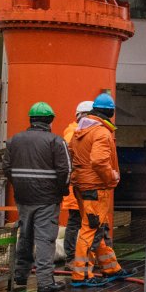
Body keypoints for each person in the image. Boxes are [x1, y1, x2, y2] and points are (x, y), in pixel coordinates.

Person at [3, 102, 71, 292]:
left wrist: (19, 184)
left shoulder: (14, 140)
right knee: (45, 238)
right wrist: (61, 191)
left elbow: (7, 168)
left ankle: (20, 275)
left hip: (23, 197)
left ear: (31, 119)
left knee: (25, 236)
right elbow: (65, 171)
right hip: (47, 199)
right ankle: (45, 281)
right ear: (50, 120)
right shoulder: (56, 141)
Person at [68, 93, 129, 287]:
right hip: (96, 188)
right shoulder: (101, 132)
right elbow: (99, 161)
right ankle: (82, 276)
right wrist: (112, 177)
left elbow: (72, 155)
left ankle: (111, 268)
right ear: (110, 112)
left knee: (97, 229)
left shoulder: (80, 130)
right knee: (91, 230)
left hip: (82, 185)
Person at [61, 100, 92, 264]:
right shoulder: (73, 135)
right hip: (78, 187)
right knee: (75, 223)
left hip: (81, 186)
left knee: (79, 223)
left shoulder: (76, 133)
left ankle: (77, 256)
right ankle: (72, 257)